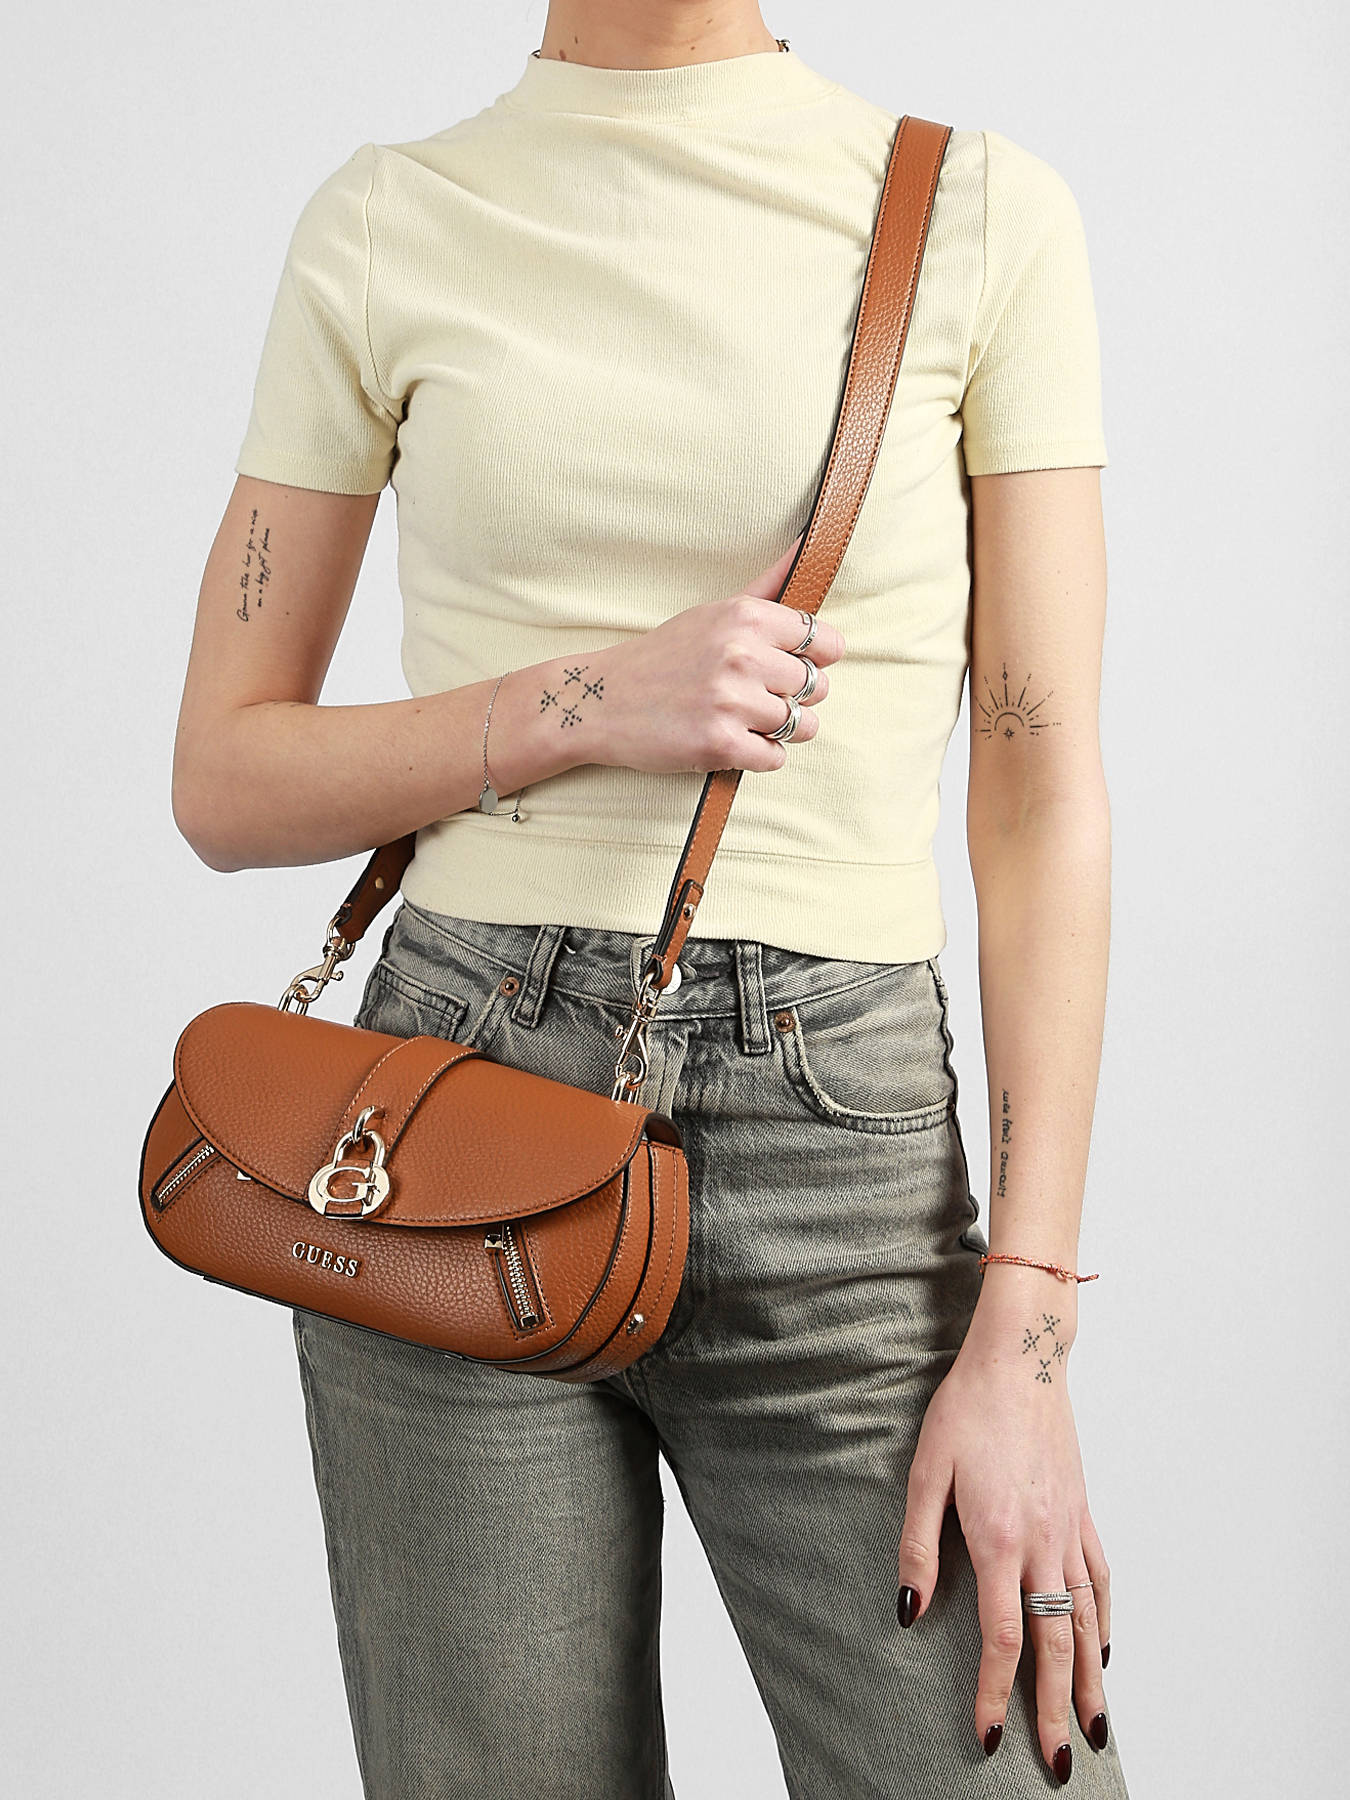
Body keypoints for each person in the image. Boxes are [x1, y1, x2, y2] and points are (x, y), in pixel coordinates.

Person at [170, 2, 1130, 1794]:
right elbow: (224, 778)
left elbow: (1039, 795)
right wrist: (587, 699)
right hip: (449, 1108)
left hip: (832, 1136)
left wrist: (1026, 1330)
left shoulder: (976, 210)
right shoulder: (387, 218)